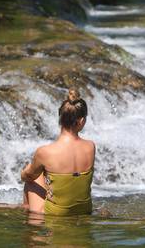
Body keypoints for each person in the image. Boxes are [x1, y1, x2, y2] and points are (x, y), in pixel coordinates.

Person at [21, 87, 96, 216]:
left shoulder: (45, 152)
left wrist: (25, 171)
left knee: (32, 178)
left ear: (60, 117)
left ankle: (31, 222)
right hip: (84, 211)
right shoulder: (90, 147)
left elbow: (27, 177)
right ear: (82, 121)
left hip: (55, 214)